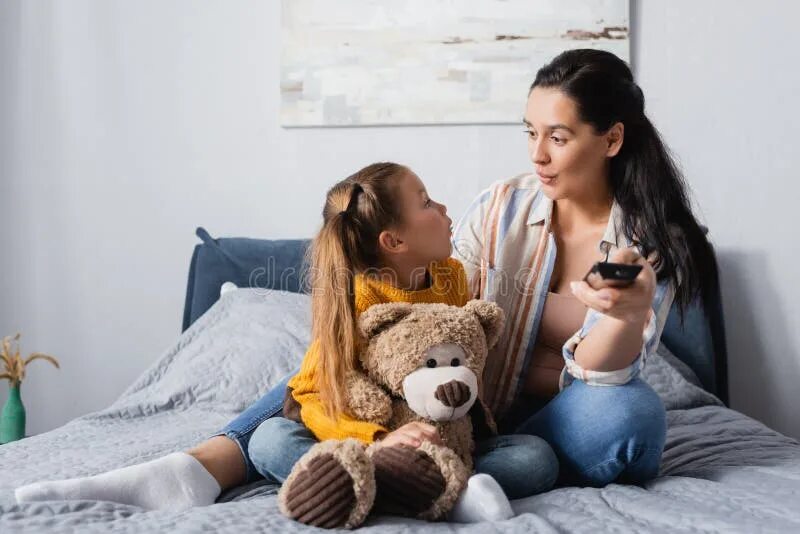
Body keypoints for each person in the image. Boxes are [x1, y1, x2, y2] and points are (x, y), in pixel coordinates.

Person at [16, 162, 558, 526]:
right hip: (367, 433)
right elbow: (320, 393)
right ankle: (431, 489)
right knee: (272, 439)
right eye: (427, 203)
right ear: (394, 241)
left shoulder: (452, 280)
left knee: (535, 459)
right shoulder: (353, 300)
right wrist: (376, 441)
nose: (445, 210)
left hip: (437, 437)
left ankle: (390, 484)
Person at [450, 48, 718, 487]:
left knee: (631, 411)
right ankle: (484, 471)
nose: (537, 155)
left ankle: (461, 475)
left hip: (563, 426)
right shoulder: (498, 209)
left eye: (557, 138)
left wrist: (625, 316)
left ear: (611, 140)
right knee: (305, 380)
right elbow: (440, 309)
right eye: (530, 133)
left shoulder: (649, 244)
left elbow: (603, 374)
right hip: (466, 412)